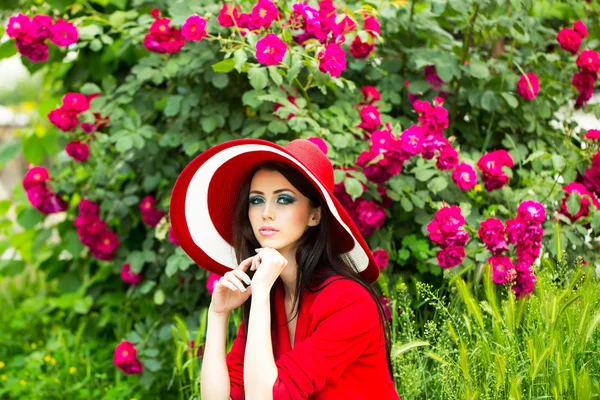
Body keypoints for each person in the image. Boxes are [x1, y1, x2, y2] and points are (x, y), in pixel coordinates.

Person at [169, 138, 400, 399]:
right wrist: (218, 314)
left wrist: (260, 292)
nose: (266, 213)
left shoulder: (349, 302)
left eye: (284, 199)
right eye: (256, 201)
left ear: (315, 215)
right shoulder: (271, 299)